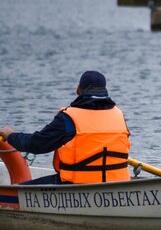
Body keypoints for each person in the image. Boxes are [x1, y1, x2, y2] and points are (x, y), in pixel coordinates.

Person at [0, 71, 131, 185]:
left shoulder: (68, 118)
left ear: (78, 89)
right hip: (117, 182)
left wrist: (10, 135)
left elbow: (37, 144)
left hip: (75, 185)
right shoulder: (119, 115)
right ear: (105, 90)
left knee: (20, 189)